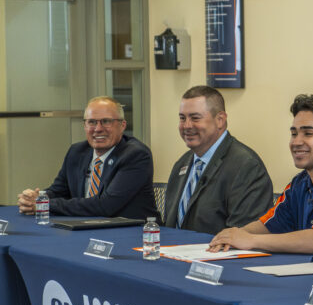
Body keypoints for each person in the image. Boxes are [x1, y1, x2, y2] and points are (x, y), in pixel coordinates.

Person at [208, 92, 313, 253]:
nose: (296, 142)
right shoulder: (300, 183)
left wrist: (250, 240)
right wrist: (233, 235)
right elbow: (267, 225)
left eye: (308, 133)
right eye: (294, 133)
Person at [17, 96, 158, 220]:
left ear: (122, 126)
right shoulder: (77, 152)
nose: (98, 129)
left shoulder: (136, 155)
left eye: (106, 121)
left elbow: (106, 206)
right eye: (92, 122)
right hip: (87, 230)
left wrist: (43, 205)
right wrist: (35, 198)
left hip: (134, 235)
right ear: (84, 125)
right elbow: (59, 191)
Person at [164, 85, 273, 235]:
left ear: (220, 120)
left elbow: (244, 235)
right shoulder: (182, 164)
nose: (186, 126)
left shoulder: (246, 166)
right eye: (182, 118)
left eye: (195, 118)